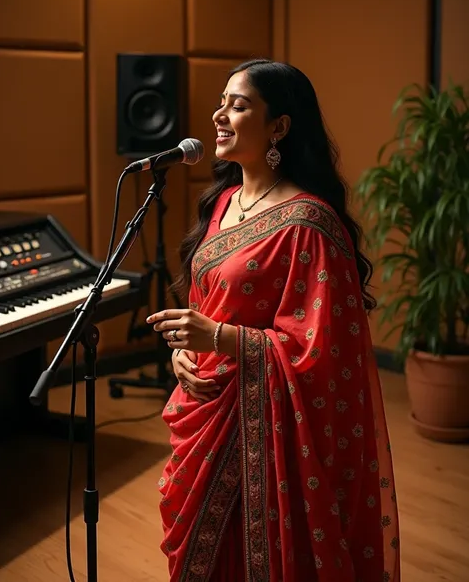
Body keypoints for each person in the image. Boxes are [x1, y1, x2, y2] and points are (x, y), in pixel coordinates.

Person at [146, 59, 400, 581]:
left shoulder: (309, 222)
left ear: (279, 127)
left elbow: (324, 350)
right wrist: (183, 351)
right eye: (221, 103)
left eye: (238, 106)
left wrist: (217, 337)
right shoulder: (221, 204)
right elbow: (204, 303)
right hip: (206, 408)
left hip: (270, 431)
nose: (219, 115)